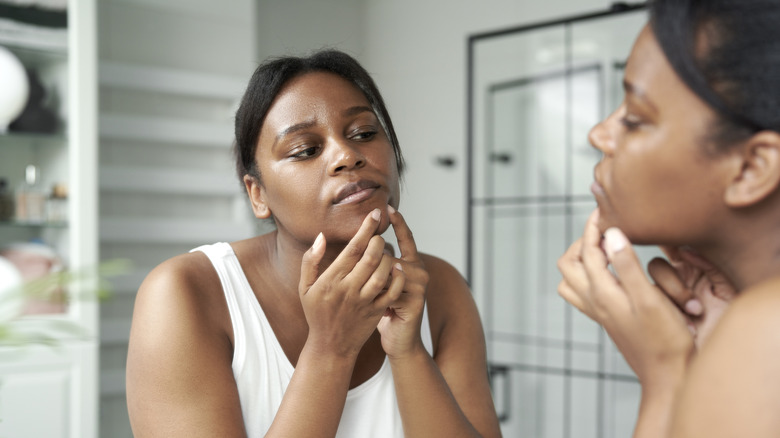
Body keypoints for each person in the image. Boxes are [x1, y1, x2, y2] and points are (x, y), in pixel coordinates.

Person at [125, 49, 502, 438]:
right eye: (305, 150)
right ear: (258, 195)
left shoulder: (440, 288)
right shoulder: (184, 293)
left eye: (364, 133)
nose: (347, 155)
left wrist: (409, 353)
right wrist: (330, 349)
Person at [557, 0, 780, 437]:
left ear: (751, 169)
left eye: (634, 118)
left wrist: (667, 377)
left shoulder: (765, 331)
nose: (598, 135)